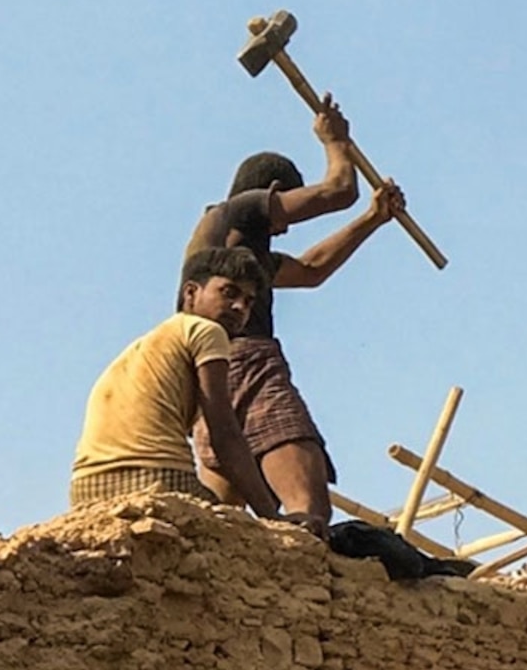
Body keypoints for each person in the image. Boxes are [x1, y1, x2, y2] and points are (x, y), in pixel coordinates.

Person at [179, 95, 408, 530]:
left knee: (223, 527)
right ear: (272, 195)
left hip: (207, 380)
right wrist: (335, 141)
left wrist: (373, 219)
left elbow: (311, 269)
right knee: (310, 511)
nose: (286, 225)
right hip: (248, 365)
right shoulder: (236, 214)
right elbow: (338, 189)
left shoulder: (235, 251)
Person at [68, 249, 298, 519]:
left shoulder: (145, 347)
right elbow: (223, 433)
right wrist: (272, 518)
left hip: (85, 490)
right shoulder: (206, 331)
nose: (240, 308)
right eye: (229, 292)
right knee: (238, 531)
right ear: (191, 293)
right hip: (155, 477)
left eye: (248, 302)